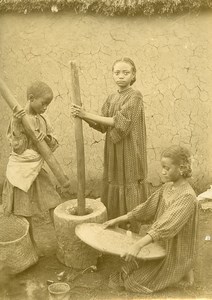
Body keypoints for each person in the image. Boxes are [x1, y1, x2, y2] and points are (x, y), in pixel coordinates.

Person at [104, 145, 198, 294]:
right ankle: (184, 270)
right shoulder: (167, 188)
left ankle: (183, 270)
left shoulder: (187, 197)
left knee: (132, 283)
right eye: (162, 167)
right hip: (159, 243)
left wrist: (138, 245)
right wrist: (117, 220)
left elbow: (166, 226)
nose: (163, 171)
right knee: (127, 268)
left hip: (174, 250)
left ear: (181, 169)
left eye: (167, 168)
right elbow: (145, 209)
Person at [71, 57, 148, 222]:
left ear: (133, 75)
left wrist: (85, 114)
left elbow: (118, 122)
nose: (121, 76)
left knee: (130, 180)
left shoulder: (135, 97)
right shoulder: (111, 98)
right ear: (112, 75)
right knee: (114, 180)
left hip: (130, 149)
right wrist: (82, 115)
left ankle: (131, 224)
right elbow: (102, 125)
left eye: (126, 73)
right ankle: (115, 222)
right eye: (117, 72)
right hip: (113, 149)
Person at [2, 81, 62, 256]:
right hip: (20, 171)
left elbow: (53, 144)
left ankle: (62, 240)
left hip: (36, 168)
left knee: (54, 201)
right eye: (43, 103)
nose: (45, 108)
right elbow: (18, 147)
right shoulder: (17, 119)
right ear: (31, 99)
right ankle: (30, 248)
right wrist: (17, 122)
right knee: (24, 211)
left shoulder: (42, 119)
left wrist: (47, 138)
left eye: (47, 105)